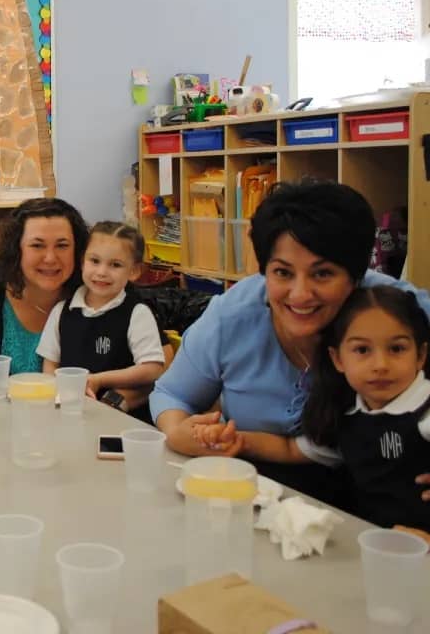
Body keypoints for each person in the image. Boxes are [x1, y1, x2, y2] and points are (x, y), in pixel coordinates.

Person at [150, 180, 430, 502]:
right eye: (282, 272)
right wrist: (178, 431)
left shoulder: (398, 310)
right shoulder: (232, 316)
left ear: (356, 276)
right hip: (256, 491)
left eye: (322, 274)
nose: (300, 294)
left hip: (383, 504)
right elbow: (172, 392)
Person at [194, 286, 430, 537]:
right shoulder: (348, 416)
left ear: (420, 355)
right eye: (362, 350)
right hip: (372, 546)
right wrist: (236, 439)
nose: (380, 365)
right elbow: (293, 449)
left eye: (397, 349)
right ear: (338, 359)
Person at [37, 221, 165, 419]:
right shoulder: (62, 310)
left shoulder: (136, 313)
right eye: (94, 261)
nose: (102, 272)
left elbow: (152, 369)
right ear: (82, 262)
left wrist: (98, 380)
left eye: (115, 265)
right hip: (70, 411)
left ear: (134, 271)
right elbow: (50, 365)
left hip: (121, 419)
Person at [0, 198, 89, 374]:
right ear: (16, 250)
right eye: (37, 245)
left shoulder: (101, 294)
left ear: (78, 250)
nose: (50, 258)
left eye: (62, 245)